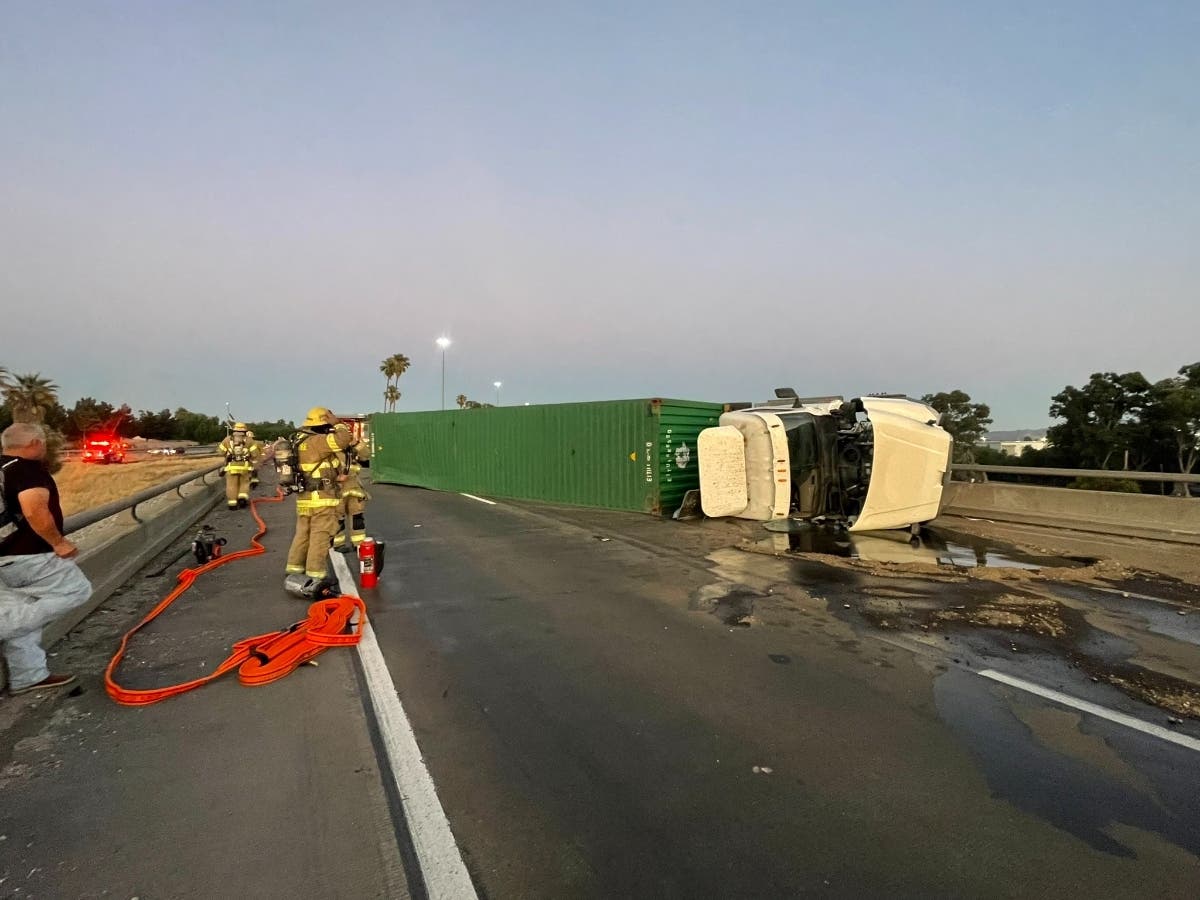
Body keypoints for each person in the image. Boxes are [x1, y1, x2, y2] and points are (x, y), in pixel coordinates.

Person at [0, 423, 94, 694]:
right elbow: (33, 510)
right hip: (31, 555)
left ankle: (29, 675)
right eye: (42, 442)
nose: (44, 448)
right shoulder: (26, 471)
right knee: (78, 591)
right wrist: (58, 542)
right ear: (33, 443)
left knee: (23, 610)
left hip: (4, 558)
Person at [284, 408, 355, 596]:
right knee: (320, 536)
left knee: (302, 535)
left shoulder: (298, 441)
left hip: (304, 499)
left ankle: (294, 570)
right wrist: (337, 423)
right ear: (322, 425)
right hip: (321, 499)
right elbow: (343, 440)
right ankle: (316, 576)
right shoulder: (317, 442)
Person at [333, 438, 371, 552]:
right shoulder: (331, 449)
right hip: (338, 489)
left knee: (357, 518)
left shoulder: (351, 450)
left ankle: (358, 543)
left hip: (354, 488)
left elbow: (366, 455)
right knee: (338, 518)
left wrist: (356, 443)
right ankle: (338, 544)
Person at [216, 423, 260, 510]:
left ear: (234, 430)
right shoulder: (249, 440)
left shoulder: (227, 440)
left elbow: (220, 452)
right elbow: (255, 454)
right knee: (244, 484)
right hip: (245, 468)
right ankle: (242, 499)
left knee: (231, 486)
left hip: (231, 468)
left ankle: (232, 504)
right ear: (245, 431)